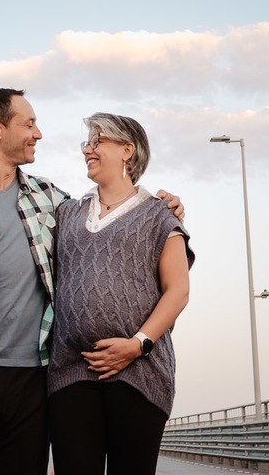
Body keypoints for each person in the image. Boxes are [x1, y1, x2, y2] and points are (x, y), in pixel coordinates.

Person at [0, 89, 183, 475]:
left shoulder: (52, 200)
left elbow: (109, 226)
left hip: (33, 383)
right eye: (29, 123)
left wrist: (166, 205)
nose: (38, 133)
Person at [47, 112, 194, 475]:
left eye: (97, 141)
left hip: (139, 374)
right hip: (71, 372)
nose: (87, 150)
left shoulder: (160, 215)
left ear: (127, 150)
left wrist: (138, 344)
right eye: (87, 143)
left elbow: (178, 291)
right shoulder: (66, 213)